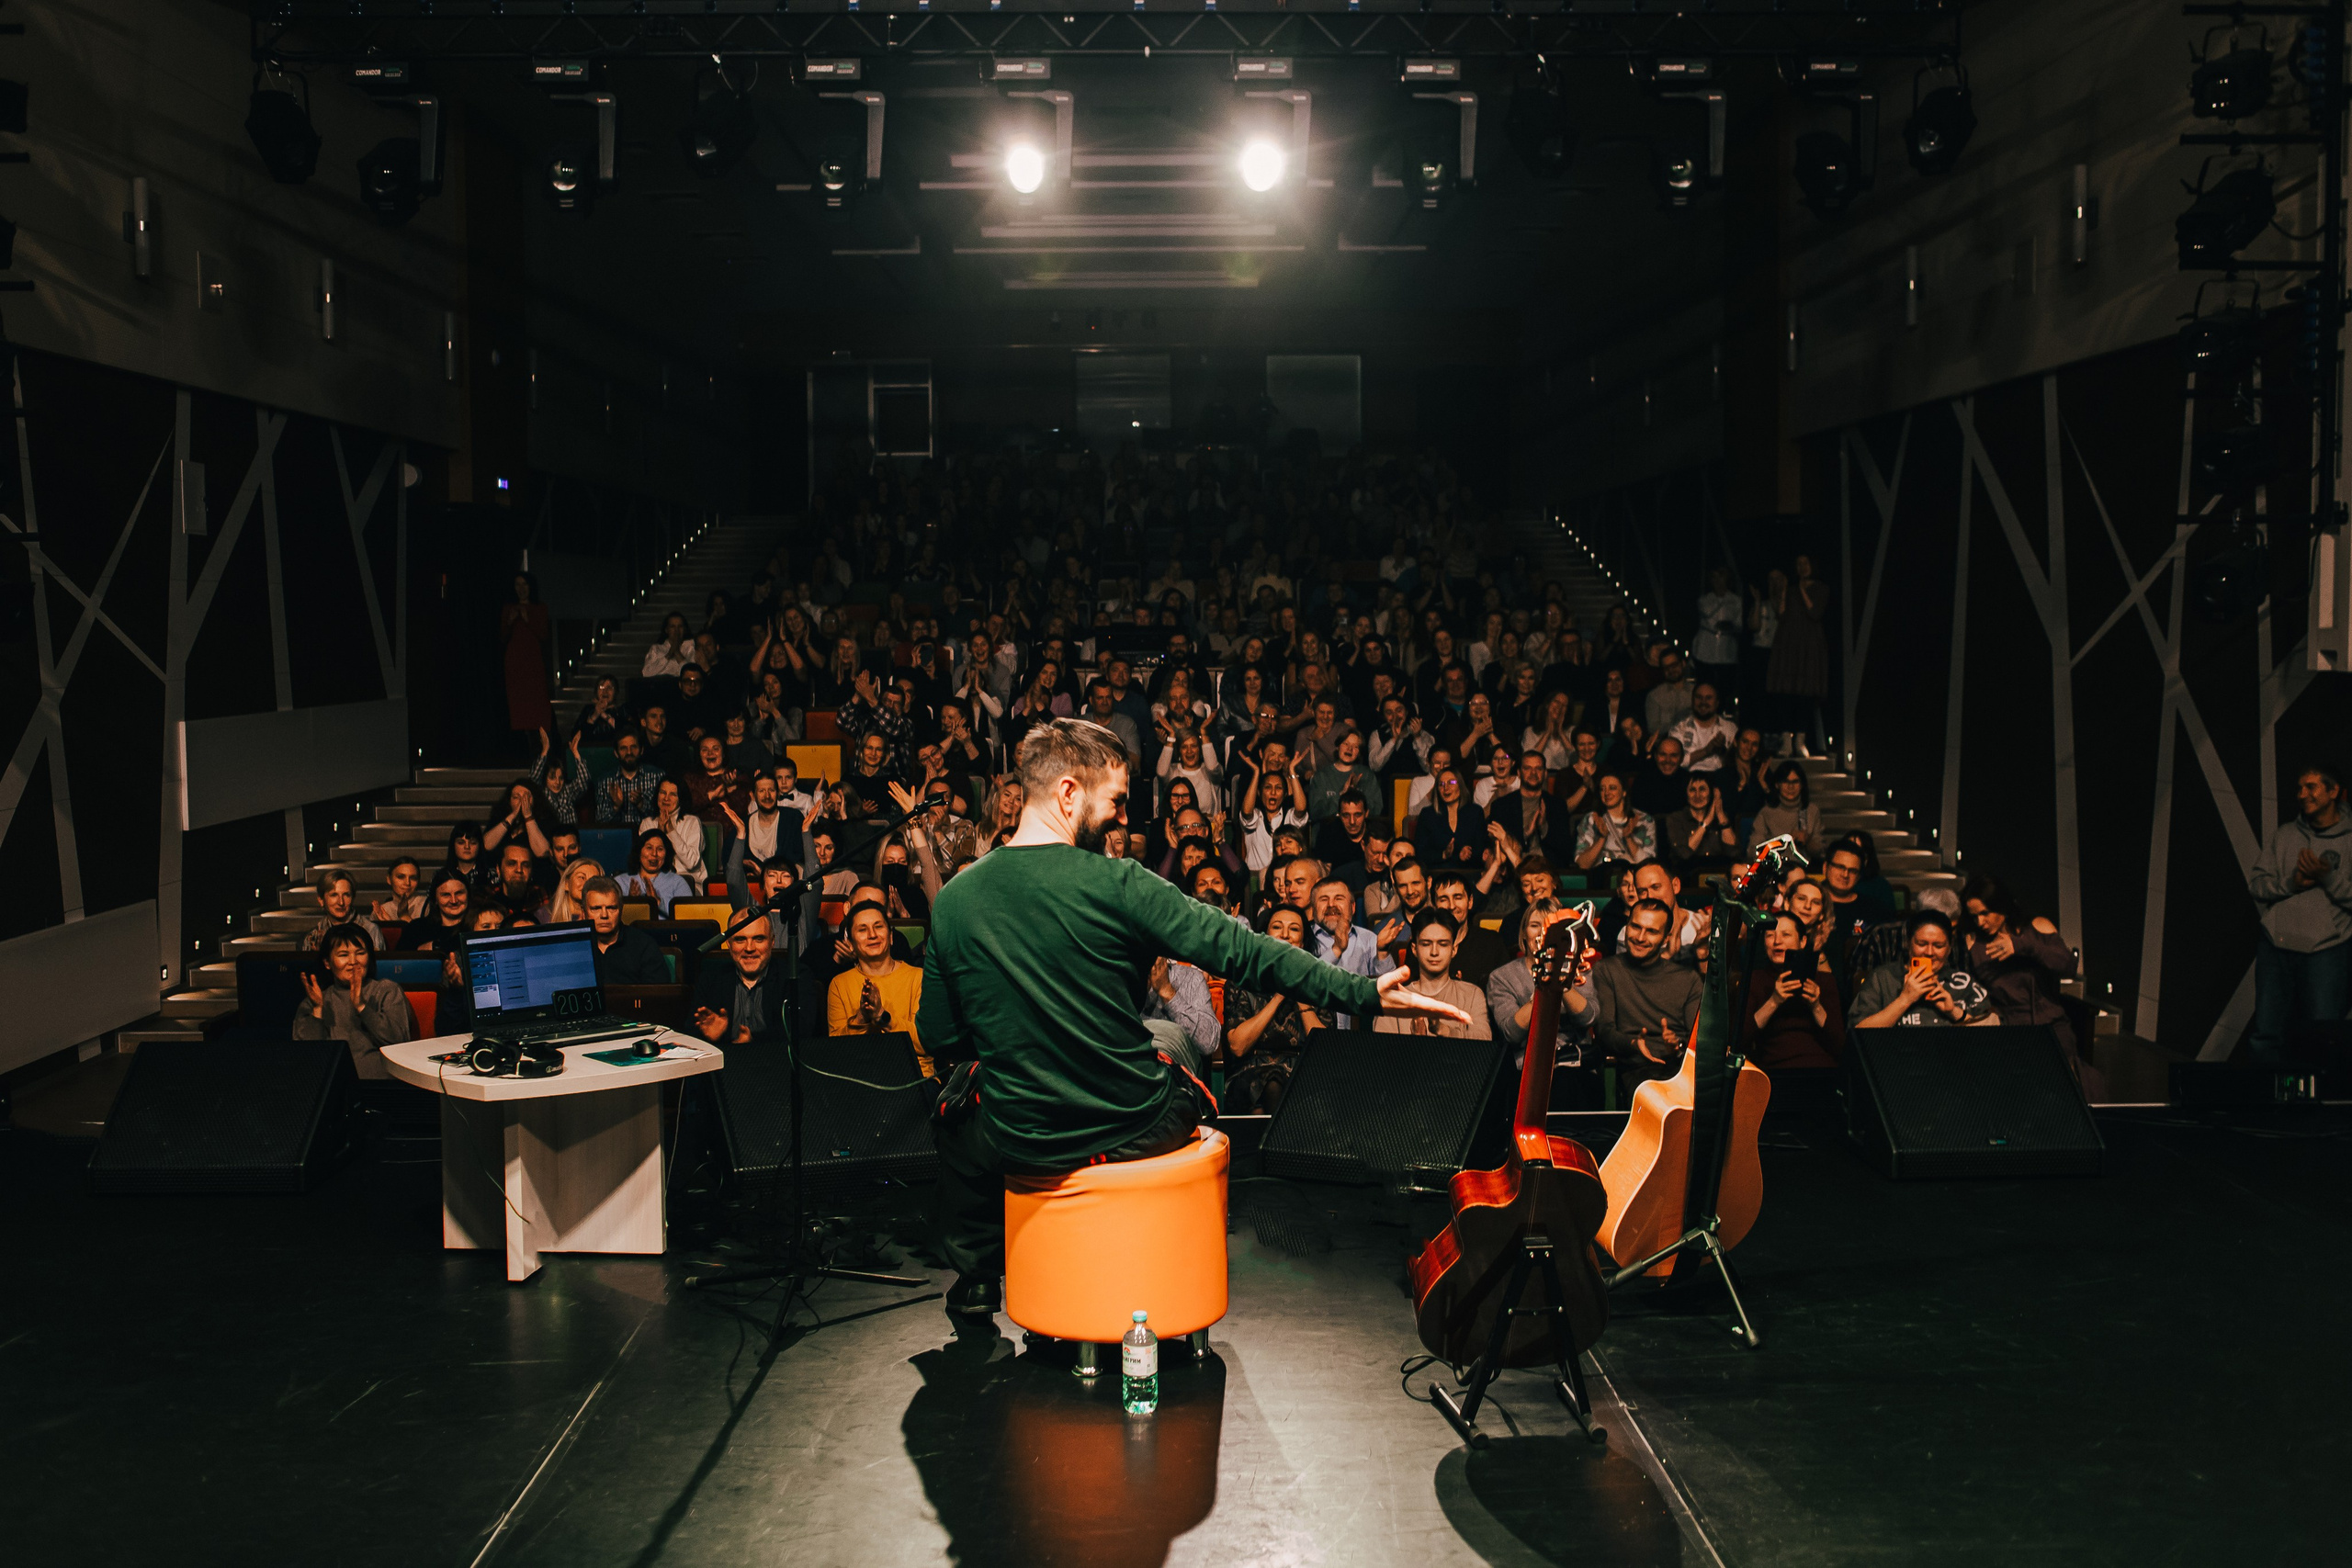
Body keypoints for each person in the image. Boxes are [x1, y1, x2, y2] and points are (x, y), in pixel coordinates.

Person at [922, 717, 1468, 1319]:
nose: (1125, 819)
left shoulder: (954, 899)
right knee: (1173, 1036)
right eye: (1118, 800)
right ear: (1069, 793)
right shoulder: (1121, 883)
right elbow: (1245, 951)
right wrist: (1362, 993)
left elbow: (941, 1035)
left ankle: (974, 1275)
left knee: (957, 1108)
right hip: (1128, 1123)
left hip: (1018, 1131)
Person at [2246, 766, 2352, 1062]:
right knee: (2266, 1035)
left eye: (2311, 787)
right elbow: (2256, 885)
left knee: (2321, 1038)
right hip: (2275, 947)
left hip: (2326, 950)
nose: (2302, 794)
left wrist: (2328, 878)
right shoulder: (2285, 835)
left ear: (2333, 791)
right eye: (2300, 788)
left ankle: (2317, 1107)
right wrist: (2292, 883)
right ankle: (2266, 1104)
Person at [1487, 900, 1600, 1100]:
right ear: (1523, 933)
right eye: (1534, 925)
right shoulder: (1502, 977)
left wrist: (1561, 980)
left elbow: (1588, 1017)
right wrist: (1542, 989)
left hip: (1575, 1066)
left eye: (1550, 925)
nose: (1543, 932)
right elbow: (1510, 1032)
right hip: (1527, 1070)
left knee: (1567, 1082)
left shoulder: (1579, 969)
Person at [1221, 905, 1326, 1113]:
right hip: (1250, 1073)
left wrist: (1298, 991)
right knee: (1272, 1083)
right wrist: (1279, 995)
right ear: (1264, 937)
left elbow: (1323, 1051)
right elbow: (1238, 1046)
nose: (1285, 935)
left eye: (1294, 929)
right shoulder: (1242, 982)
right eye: (1277, 927)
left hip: (1302, 1073)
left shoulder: (1318, 985)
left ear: (1302, 943)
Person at [1591, 899, 1703, 1083]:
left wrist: (1677, 1045)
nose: (1641, 937)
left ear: (1666, 939)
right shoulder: (1607, 970)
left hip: (1684, 1069)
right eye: (1636, 927)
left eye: (1651, 931)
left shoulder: (1688, 979)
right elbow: (1605, 1031)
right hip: (1637, 1069)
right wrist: (1634, 1044)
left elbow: (1698, 1040)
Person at [291, 925, 416, 1078]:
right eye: (343, 955)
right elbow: (307, 1058)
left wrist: (362, 1007)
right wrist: (318, 1010)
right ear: (327, 963)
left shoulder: (387, 990)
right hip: (332, 1090)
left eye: (360, 953)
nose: (353, 962)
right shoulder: (316, 1000)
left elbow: (399, 1041)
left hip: (379, 1088)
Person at [827, 903, 930, 1074]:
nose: (872, 935)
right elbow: (837, 1053)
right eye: (862, 930)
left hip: (914, 1077)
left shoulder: (918, 977)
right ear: (850, 944)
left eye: (878, 927)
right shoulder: (839, 984)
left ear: (890, 937)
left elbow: (925, 1043)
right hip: (860, 1078)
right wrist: (861, 1019)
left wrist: (882, 1016)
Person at [1852, 910, 1995, 1028]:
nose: (1929, 952)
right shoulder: (1883, 978)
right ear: (1909, 944)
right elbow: (1858, 1031)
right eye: (1921, 944)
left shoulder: (1962, 982)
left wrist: (1953, 1011)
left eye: (1938, 946)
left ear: (1949, 949)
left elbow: (1990, 1036)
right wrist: (1905, 999)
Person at [1745, 910, 1846, 1071]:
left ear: (1803, 941)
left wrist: (1815, 1006)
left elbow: (1840, 1046)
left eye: (1786, 935)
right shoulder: (1755, 980)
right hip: (1774, 1071)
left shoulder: (1824, 981)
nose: (1777, 941)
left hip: (1820, 1071)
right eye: (1770, 935)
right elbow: (1742, 1039)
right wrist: (1774, 1001)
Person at [1373, 909, 1492, 1038]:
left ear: (1454, 949)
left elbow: (1484, 1044)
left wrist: (1444, 1031)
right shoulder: (1393, 1000)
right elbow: (1381, 1052)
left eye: (1442, 944)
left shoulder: (1471, 995)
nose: (1434, 952)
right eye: (1426, 944)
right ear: (1414, 949)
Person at [1764, 555, 1830, 755]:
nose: (1801, 567)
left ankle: (1800, 740)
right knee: (1784, 691)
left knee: (1805, 692)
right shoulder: (1790, 590)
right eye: (1798, 564)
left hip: (1809, 645)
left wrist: (1802, 588)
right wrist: (1785, 590)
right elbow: (1781, 613)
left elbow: (1814, 612)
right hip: (1788, 644)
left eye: (1805, 563)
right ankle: (1785, 739)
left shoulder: (1821, 588)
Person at [693, 919, 794, 1044]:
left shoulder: (793, 977)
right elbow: (690, 1034)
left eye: (759, 939)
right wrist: (711, 1038)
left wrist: (752, 1041)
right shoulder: (710, 979)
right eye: (740, 940)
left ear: (772, 942)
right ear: (729, 943)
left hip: (778, 1060)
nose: (749, 948)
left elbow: (801, 1030)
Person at [581, 877, 670, 985]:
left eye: (611, 908)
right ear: (584, 912)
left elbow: (659, 994)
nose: (604, 915)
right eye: (596, 908)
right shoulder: (574, 947)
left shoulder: (643, 944)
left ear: (621, 910)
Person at [502, 573, 552, 747]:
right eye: (517, 585)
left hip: (533, 663)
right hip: (515, 664)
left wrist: (527, 618)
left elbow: (543, 634)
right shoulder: (509, 608)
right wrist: (509, 621)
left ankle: (540, 742)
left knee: (536, 704)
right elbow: (502, 636)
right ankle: (521, 744)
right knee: (518, 705)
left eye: (524, 585)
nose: (521, 589)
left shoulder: (539, 608)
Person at [1660, 773, 1739, 879]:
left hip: (1720, 877)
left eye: (1702, 789)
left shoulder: (1722, 818)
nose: (1697, 795)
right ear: (1686, 794)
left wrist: (1719, 813)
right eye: (1692, 790)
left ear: (1710, 793)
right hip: (1687, 879)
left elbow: (1733, 853)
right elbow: (1684, 854)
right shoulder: (1675, 819)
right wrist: (1706, 822)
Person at [1573, 773, 1656, 871]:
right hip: (1601, 877)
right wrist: (1602, 838)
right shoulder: (1592, 819)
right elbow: (1583, 865)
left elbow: (1649, 866)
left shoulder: (1644, 820)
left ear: (1624, 792)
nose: (1606, 793)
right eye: (1602, 789)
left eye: (1612, 788)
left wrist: (1629, 838)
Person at [1748, 760, 1825, 858]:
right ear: (1777, 785)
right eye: (1785, 781)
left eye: (1795, 782)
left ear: (1801, 785)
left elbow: (1820, 852)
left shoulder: (1812, 811)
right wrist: (1782, 842)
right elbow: (1753, 851)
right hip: (1775, 868)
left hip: (1803, 868)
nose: (1790, 787)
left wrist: (1808, 841)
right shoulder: (1766, 812)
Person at [1691, 568, 1744, 700]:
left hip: (1726, 650)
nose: (1717, 581)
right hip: (1706, 649)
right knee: (1705, 682)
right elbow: (1708, 613)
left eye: (1721, 577)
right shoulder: (1705, 600)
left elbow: (1739, 624)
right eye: (1714, 577)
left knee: (1725, 687)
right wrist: (1721, 599)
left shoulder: (1736, 601)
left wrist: (1730, 626)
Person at [301, 870, 384, 952]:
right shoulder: (313, 937)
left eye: (346, 895)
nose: (341, 902)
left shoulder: (370, 930)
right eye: (334, 895)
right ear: (321, 900)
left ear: (352, 898)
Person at [616, 830, 693, 917]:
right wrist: (631, 902)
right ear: (639, 852)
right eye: (649, 848)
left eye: (660, 849)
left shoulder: (677, 882)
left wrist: (657, 902)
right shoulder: (620, 882)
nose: (654, 854)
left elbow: (687, 916)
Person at [397, 874, 473, 952]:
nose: (454, 901)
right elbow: (399, 961)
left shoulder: (478, 926)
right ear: (435, 899)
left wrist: (437, 946)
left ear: (468, 895)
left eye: (459, 893)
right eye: (446, 895)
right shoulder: (416, 929)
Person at [547, 856, 605, 924]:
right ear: (566, 884)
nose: (587, 884)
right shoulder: (546, 916)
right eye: (581, 877)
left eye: (593, 880)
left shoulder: (605, 917)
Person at [371, 857, 424, 925]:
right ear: (389, 879)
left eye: (413, 878)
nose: (407, 883)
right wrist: (390, 925)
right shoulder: (382, 910)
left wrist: (405, 917)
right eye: (401, 877)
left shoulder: (426, 905)